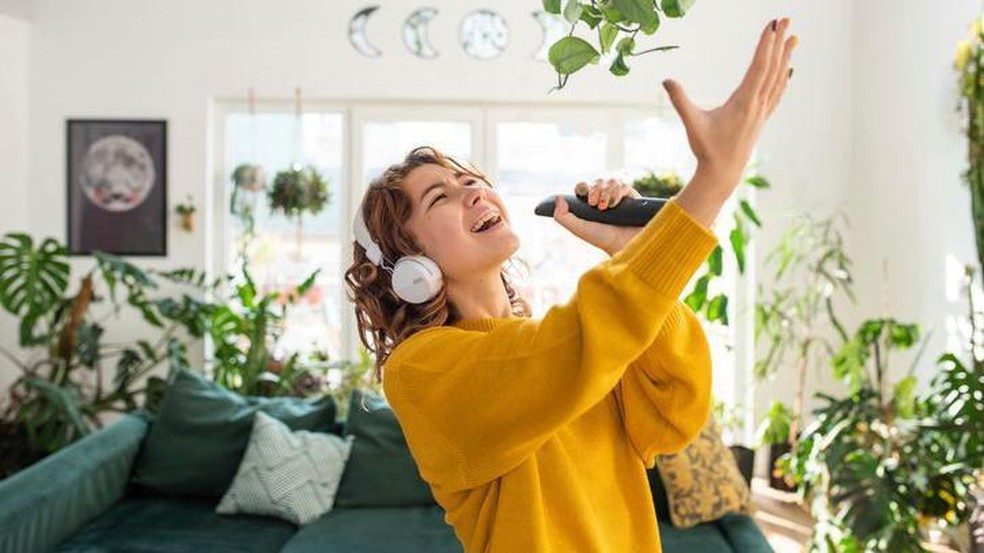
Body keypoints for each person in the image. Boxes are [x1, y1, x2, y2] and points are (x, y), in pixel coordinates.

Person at [344, 17, 798, 552]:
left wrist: (628, 250)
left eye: (471, 181)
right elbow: (571, 346)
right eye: (439, 197)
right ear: (408, 264)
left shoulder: (568, 351)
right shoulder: (421, 370)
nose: (474, 193)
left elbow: (674, 414)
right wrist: (712, 181)